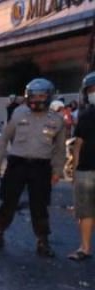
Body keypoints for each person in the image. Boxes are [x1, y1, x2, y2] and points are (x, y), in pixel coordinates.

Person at [0, 78, 65, 257]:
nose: (37, 99)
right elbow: (4, 138)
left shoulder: (57, 120)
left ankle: (43, 241)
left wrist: (57, 171)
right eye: (33, 96)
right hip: (17, 164)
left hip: (41, 167)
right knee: (8, 201)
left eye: (41, 96)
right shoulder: (18, 113)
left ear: (49, 96)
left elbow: (60, 149)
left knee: (40, 205)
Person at [68, 71, 95, 261]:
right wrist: (76, 172)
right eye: (91, 90)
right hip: (85, 170)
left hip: (86, 170)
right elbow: (78, 145)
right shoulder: (86, 115)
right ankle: (85, 248)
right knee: (85, 211)